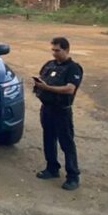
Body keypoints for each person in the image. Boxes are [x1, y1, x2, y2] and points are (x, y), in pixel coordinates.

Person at [33, 37, 84, 191]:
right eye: (53, 50)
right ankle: (52, 168)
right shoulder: (49, 65)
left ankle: (73, 176)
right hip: (47, 108)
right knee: (48, 139)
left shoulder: (73, 68)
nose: (54, 53)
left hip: (62, 110)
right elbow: (42, 78)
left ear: (67, 50)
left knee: (66, 143)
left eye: (58, 50)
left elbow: (70, 89)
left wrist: (47, 88)